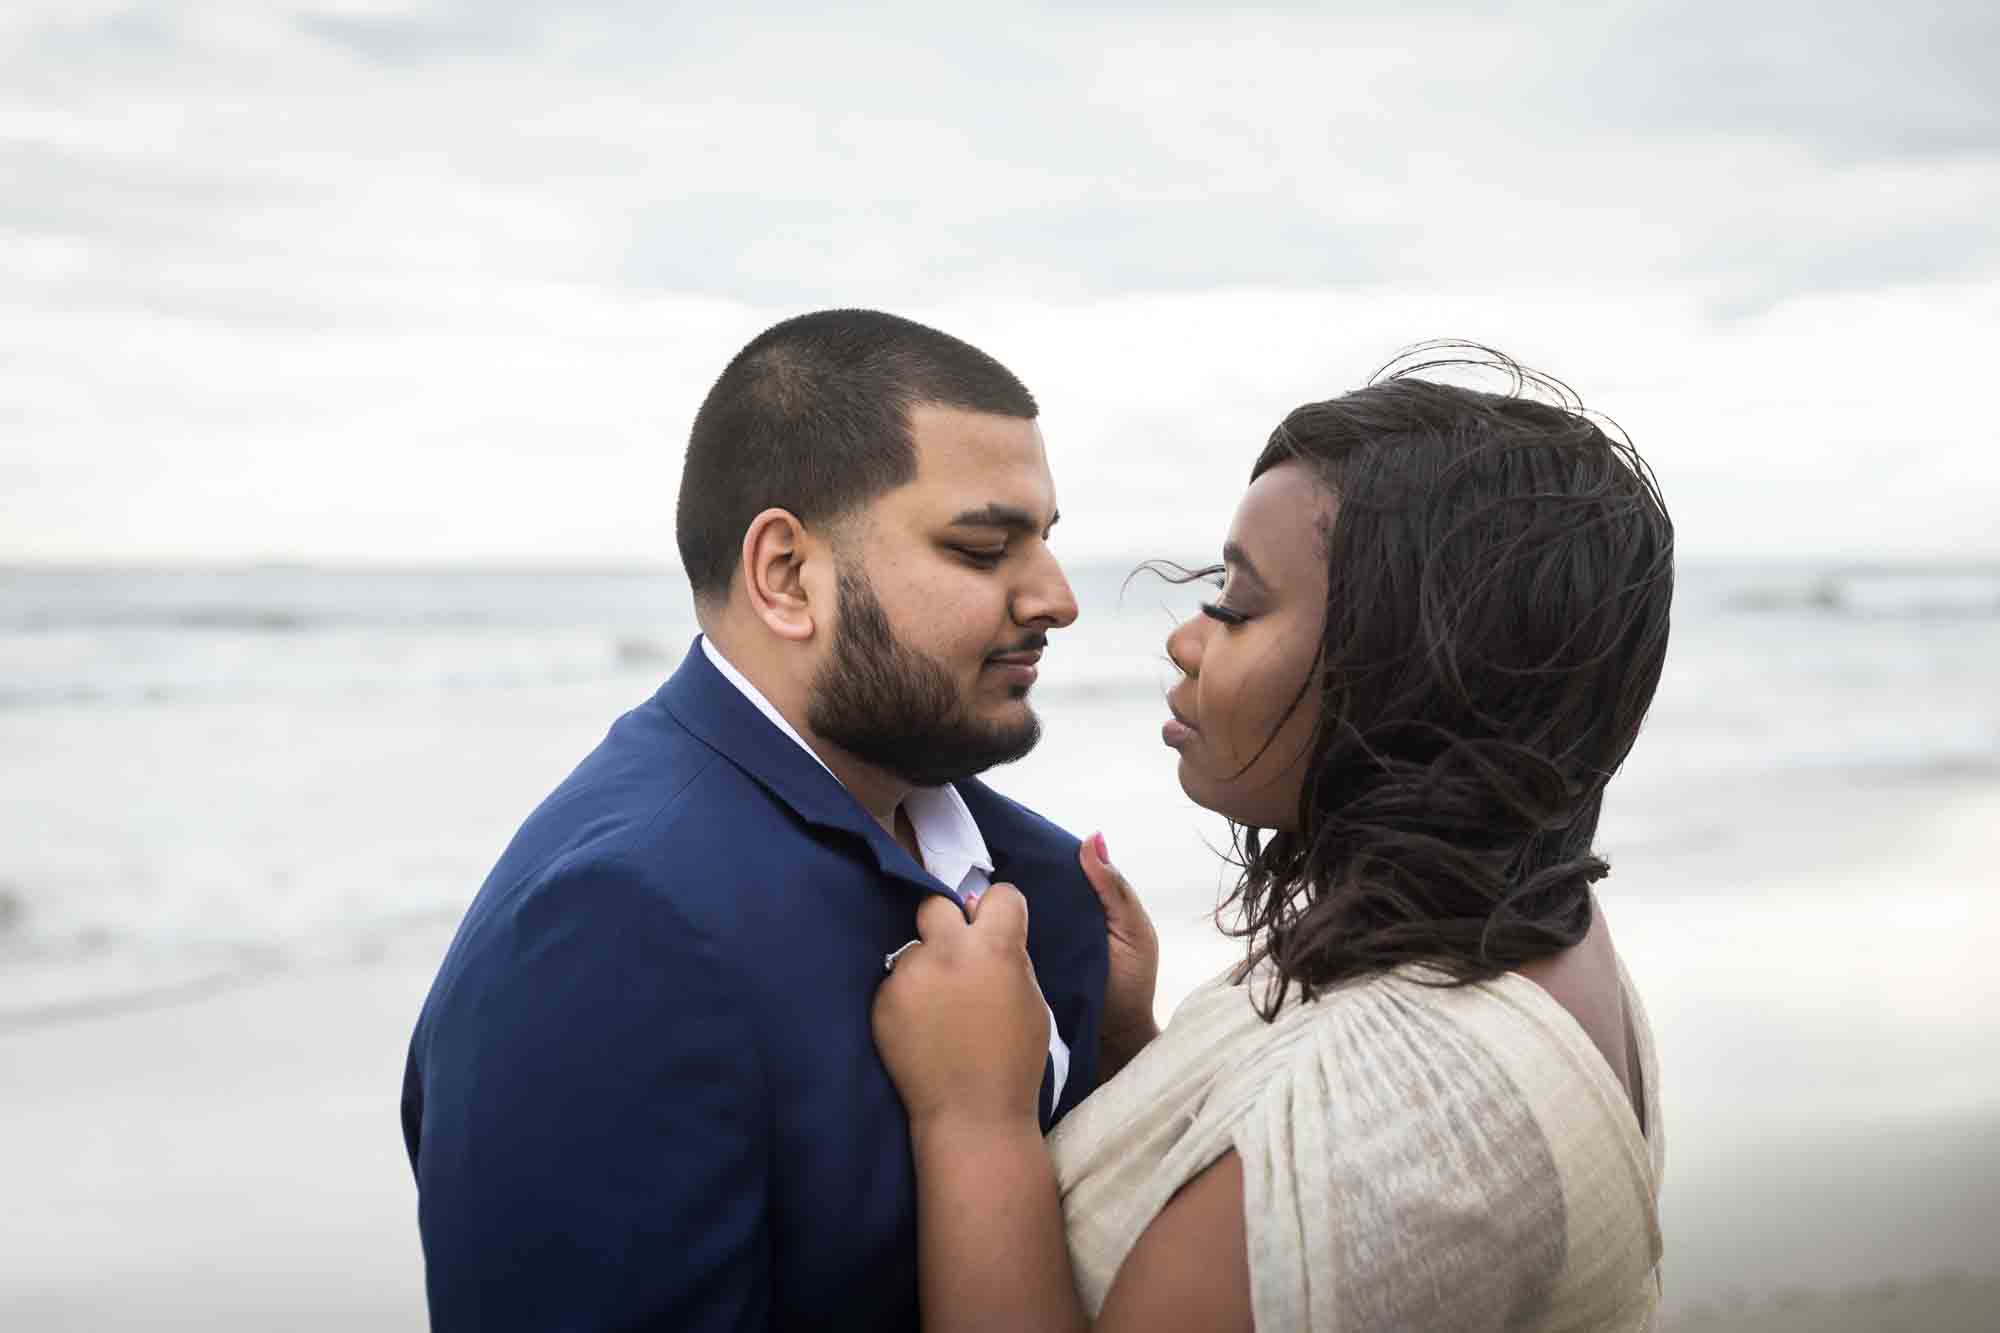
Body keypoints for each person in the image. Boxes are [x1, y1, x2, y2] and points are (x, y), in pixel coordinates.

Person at [874, 347, 1674, 1332]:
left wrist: (973, 1116)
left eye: (1240, 606)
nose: (1186, 637)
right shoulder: (1519, 925)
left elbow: (1335, 1188)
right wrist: (1137, 1051)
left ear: (1404, 672)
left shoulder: (1394, 1131)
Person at [401, 309, 1109, 1331]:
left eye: (1044, 541)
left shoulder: (1043, 878)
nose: (1055, 596)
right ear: (785, 576)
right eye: (983, 546)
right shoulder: (615, 925)